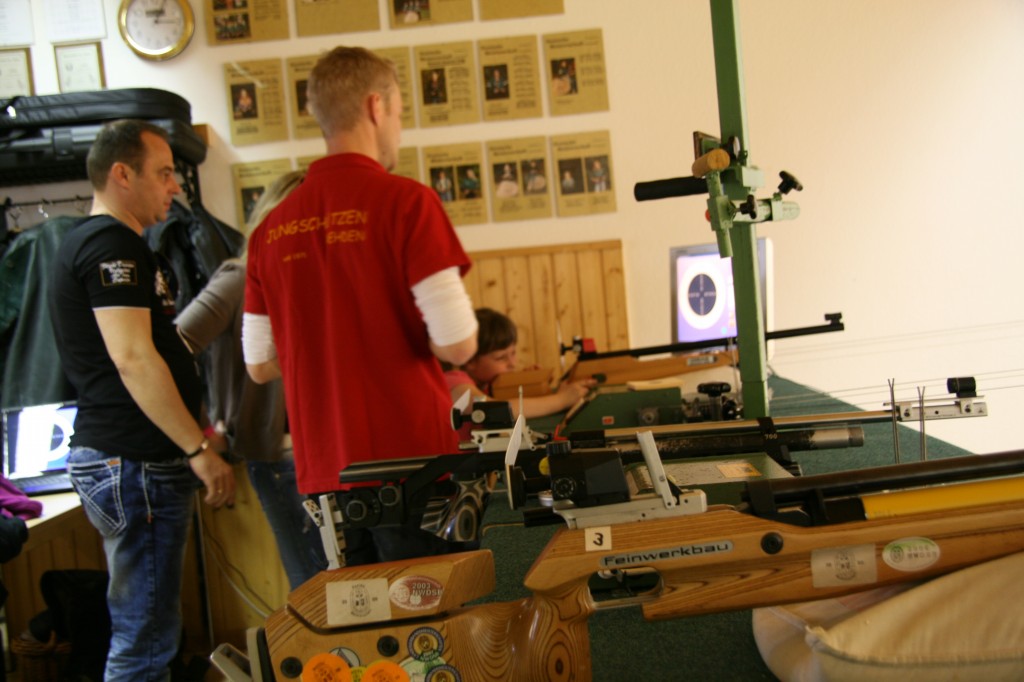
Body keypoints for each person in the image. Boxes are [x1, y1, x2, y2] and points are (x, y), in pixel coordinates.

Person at [243, 47, 478, 567]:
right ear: (376, 106)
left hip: (325, 474)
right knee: (433, 611)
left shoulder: (270, 230)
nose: (398, 130)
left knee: (362, 615)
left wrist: (325, 349)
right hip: (414, 465)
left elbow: (259, 364)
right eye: (399, 114)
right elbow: (459, 343)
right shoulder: (407, 203)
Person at [48, 119, 236, 681]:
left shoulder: (112, 244)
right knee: (145, 640)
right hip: (135, 462)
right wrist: (196, 449)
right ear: (121, 174)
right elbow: (133, 358)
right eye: (163, 173)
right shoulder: (110, 244)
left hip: (132, 460)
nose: (175, 186)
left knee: (150, 633)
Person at [176, 170, 327, 591]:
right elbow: (173, 348)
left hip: (327, 451)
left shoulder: (318, 277)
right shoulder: (239, 278)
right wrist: (201, 433)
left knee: (344, 589)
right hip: (282, 457)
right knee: (317, 589)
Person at [446, 308, 595, 421]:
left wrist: (528, 385)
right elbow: (491, 409)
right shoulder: (454, 383)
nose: (512, 363)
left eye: (513, 353)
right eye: (501, 358)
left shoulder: (486, 384)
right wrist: (562, 400)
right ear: (470, 360)